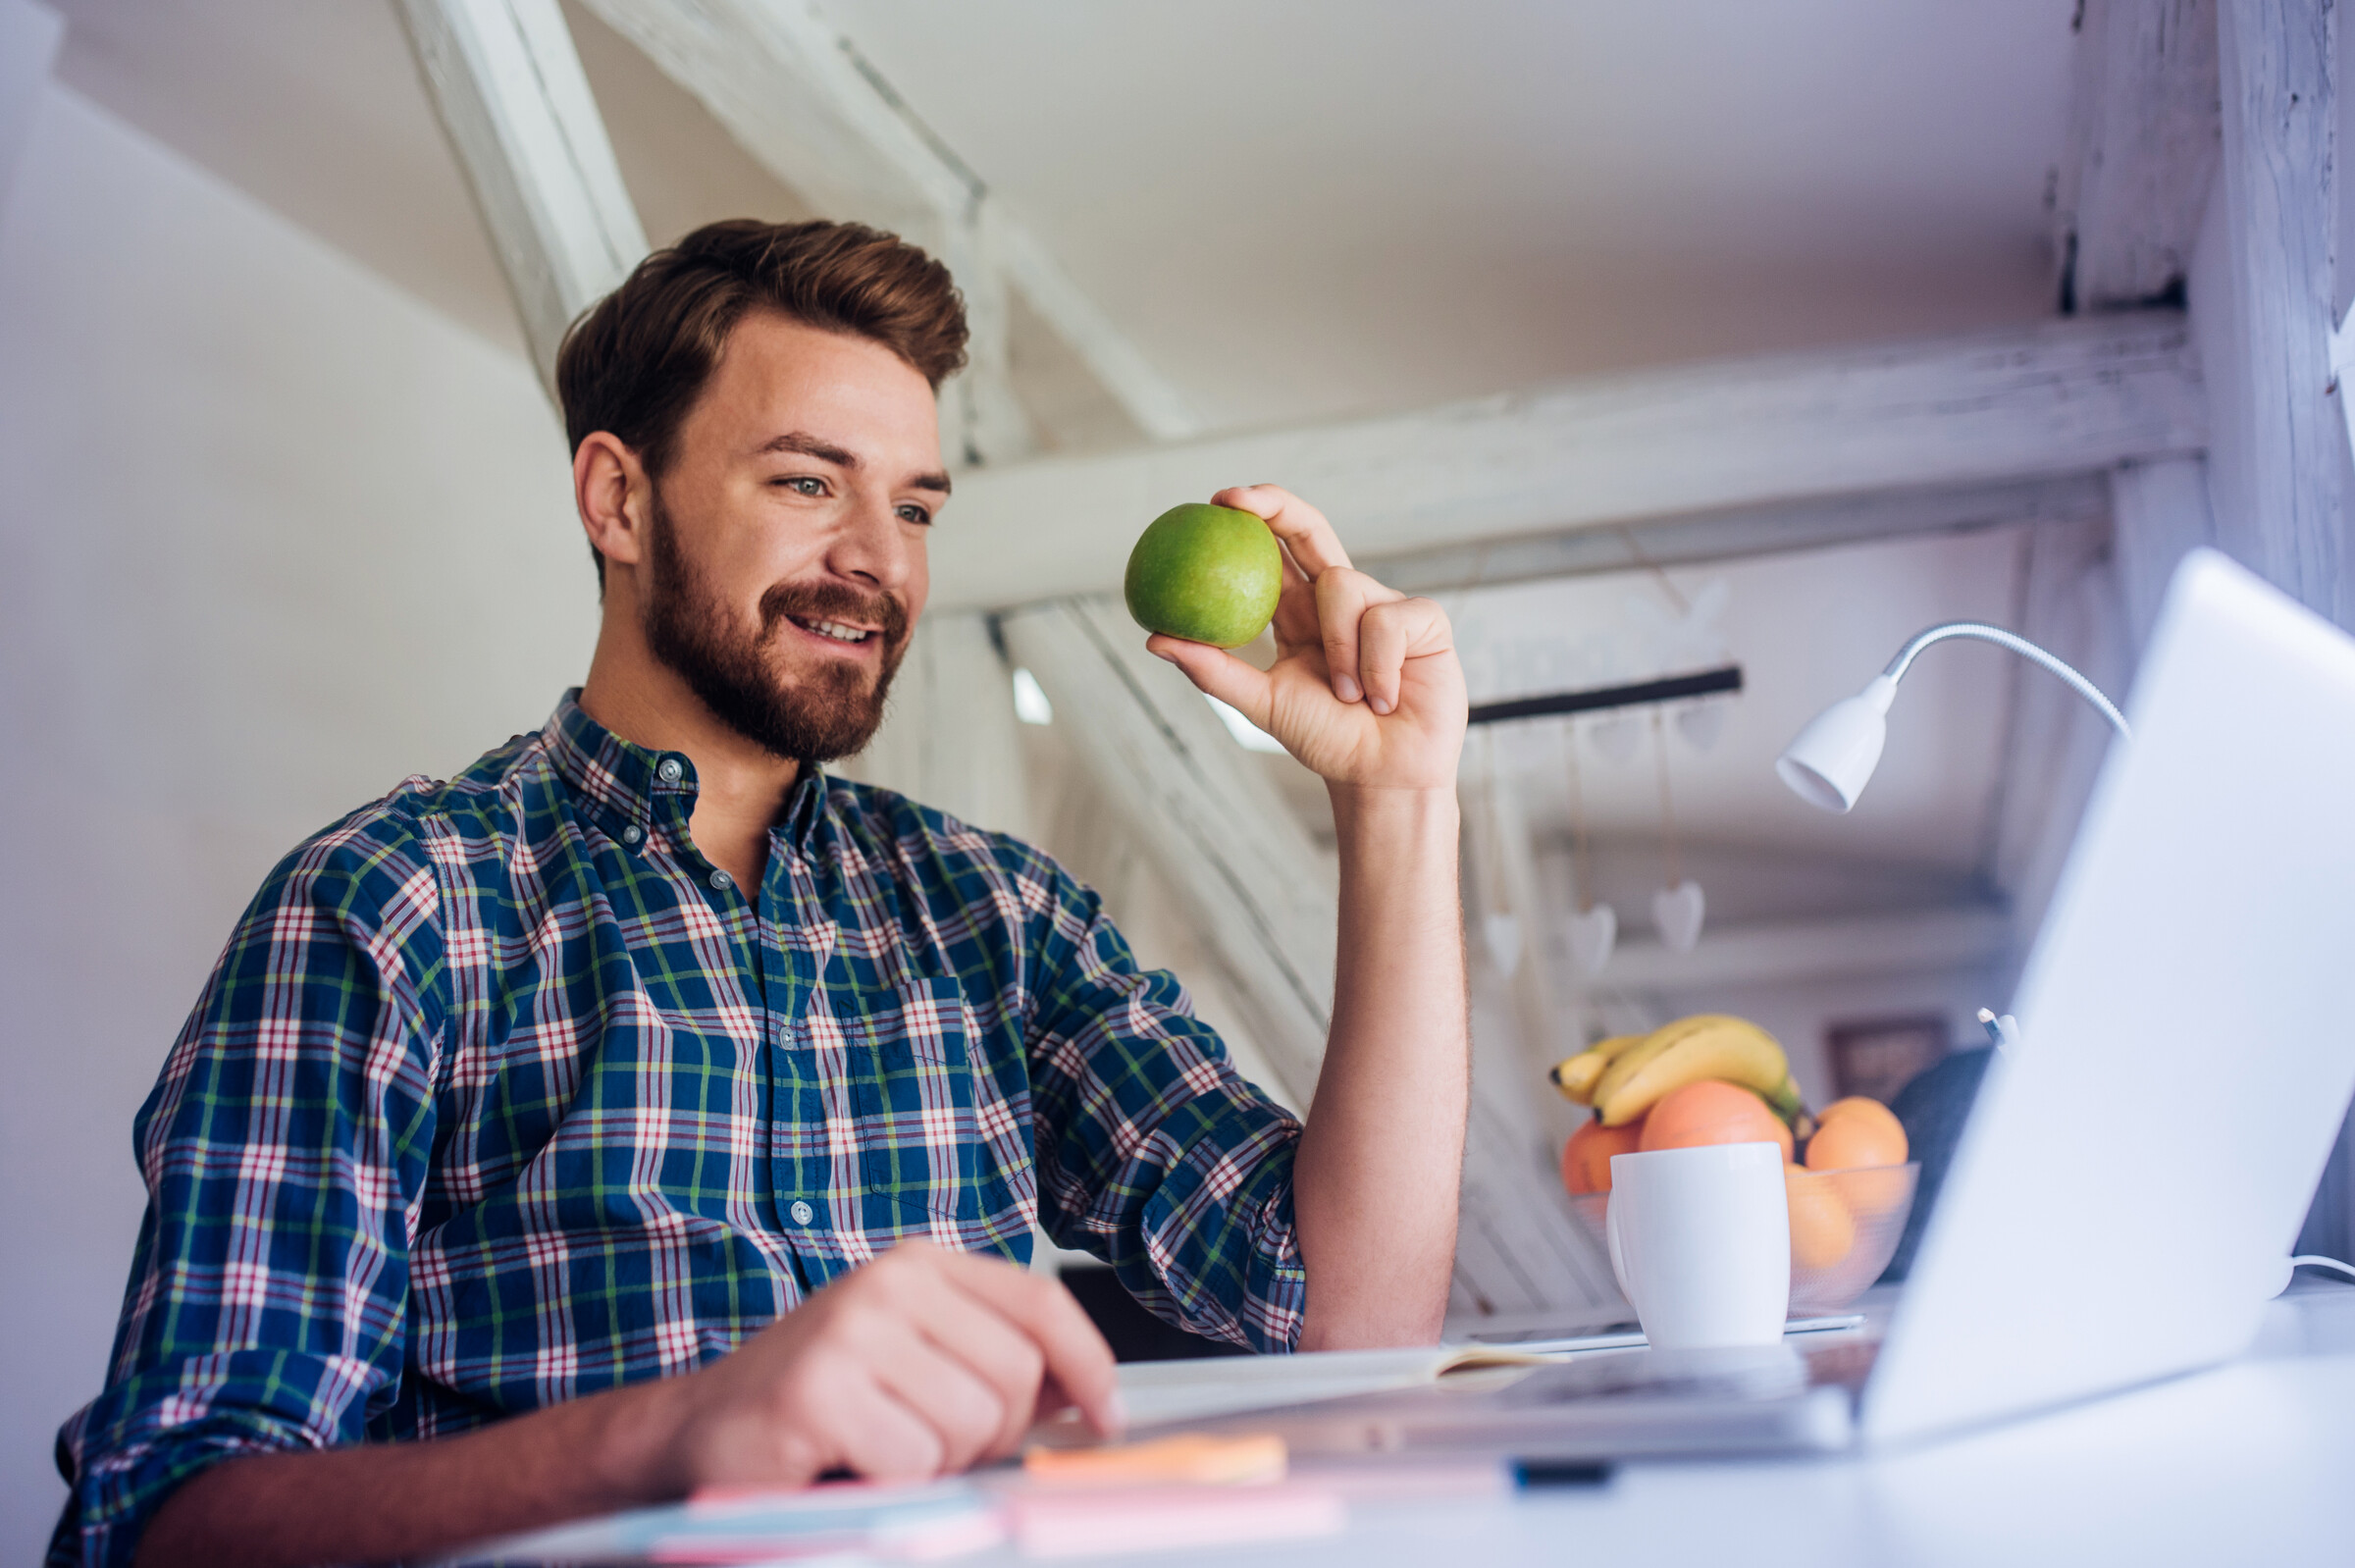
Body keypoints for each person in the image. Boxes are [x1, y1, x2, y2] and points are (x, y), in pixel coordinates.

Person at [50, 219, 1471, 1568]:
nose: (878, 560)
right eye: (808, 481)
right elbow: (167, 1519)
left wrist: (1397, 797)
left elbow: (1349, 1308)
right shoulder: (389, 908)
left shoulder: (994, 919)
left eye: (912, 503)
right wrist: (677, 1430)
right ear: (619, 497)